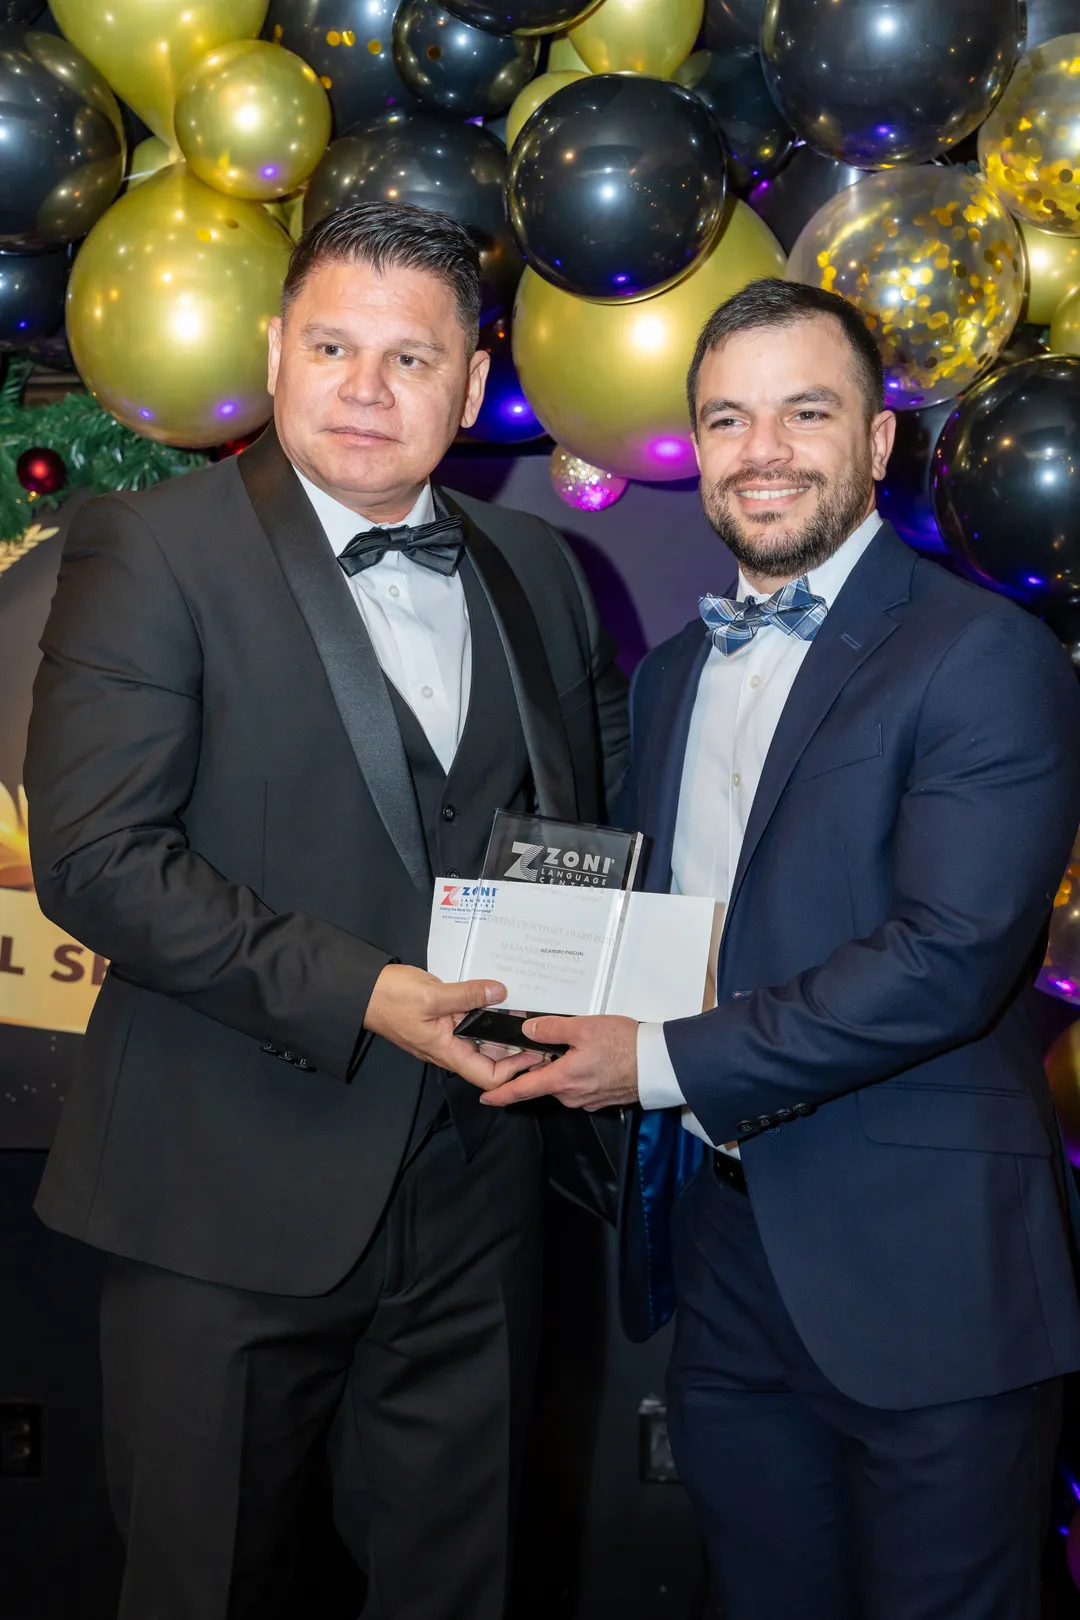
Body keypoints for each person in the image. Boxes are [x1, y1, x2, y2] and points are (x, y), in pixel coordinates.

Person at [25, 201, 626, 1620]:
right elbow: (101, 860)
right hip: (223, 1190)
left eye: (412, 359)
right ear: (275, 350)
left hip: (479, 1195)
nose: (369, 388)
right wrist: (365, 990)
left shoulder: (543, 570)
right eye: (337, 346)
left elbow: (583, 842)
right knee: (204, 1591)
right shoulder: (144, 550)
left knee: (457, 1589)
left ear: (471, 387)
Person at [474, 278, 1080, 1619]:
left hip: (929, 1270)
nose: (765, 451)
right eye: (729, 419)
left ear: (876, 442)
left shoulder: (982, 653)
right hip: (730, 1258)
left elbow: (948, 955)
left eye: (808, 412)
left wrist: (656, 1058)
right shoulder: (672, 679)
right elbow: (665, 927)